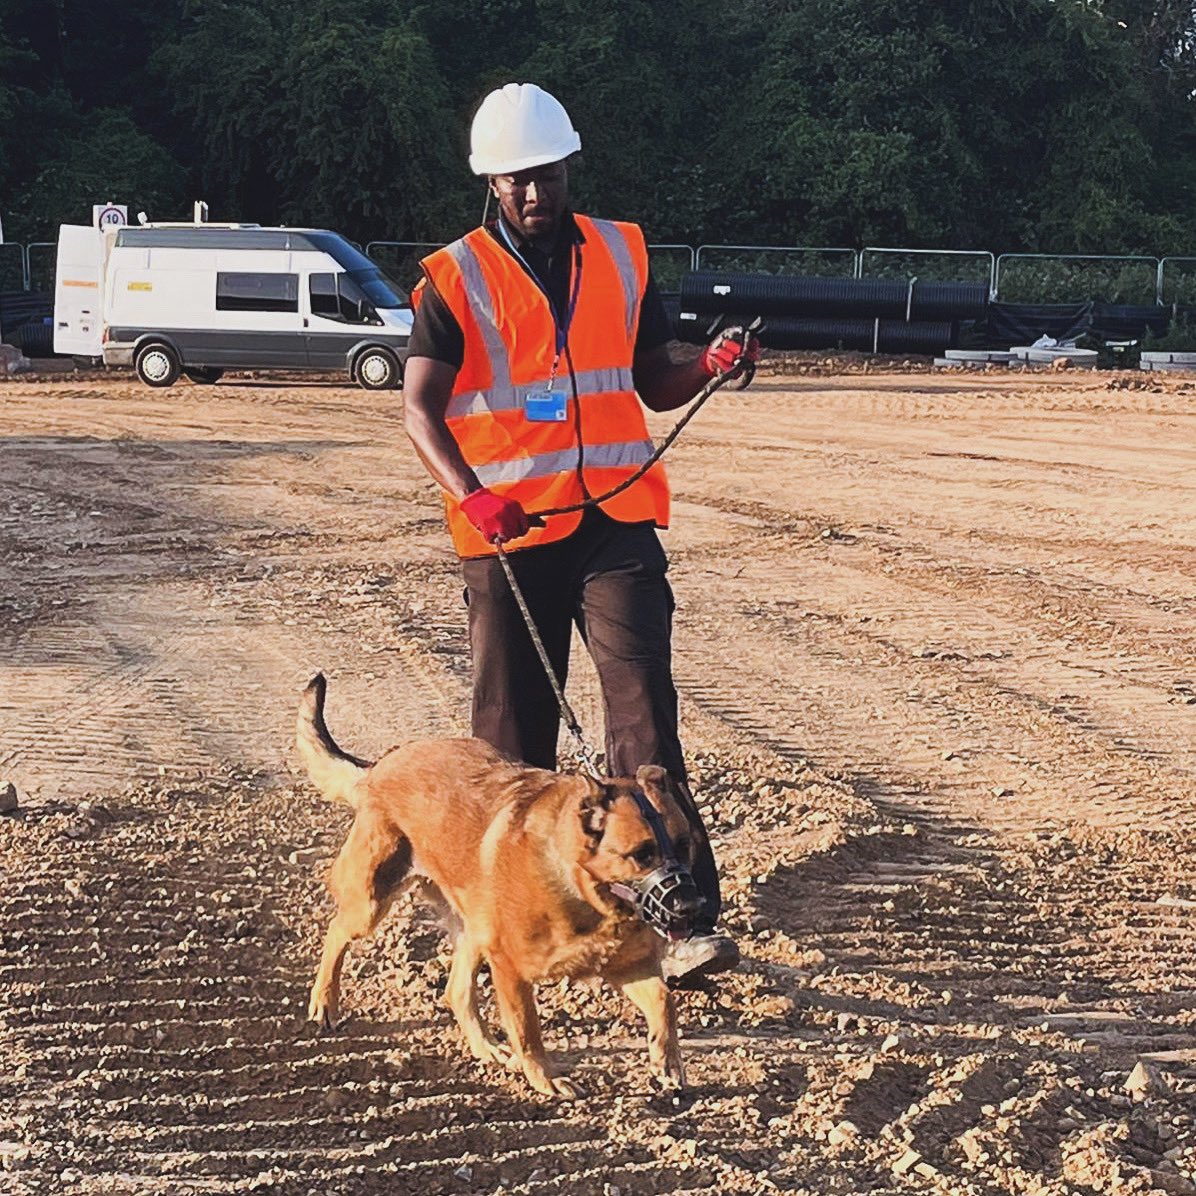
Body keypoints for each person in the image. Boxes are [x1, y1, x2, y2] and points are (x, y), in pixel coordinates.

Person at [401, 82, 758, 986]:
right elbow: (420, 408)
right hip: (510, 532)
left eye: (545, 174)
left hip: (615, 522)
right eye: (514, 179)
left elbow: (651, 378)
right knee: (513, 738)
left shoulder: (623, 254)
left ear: (568, 168)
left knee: (644, 719)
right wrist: (473, 496)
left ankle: (681, 924)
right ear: (493, 183)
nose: (532, 192)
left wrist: (708, 363)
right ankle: (502, 924)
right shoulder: (455, 277)